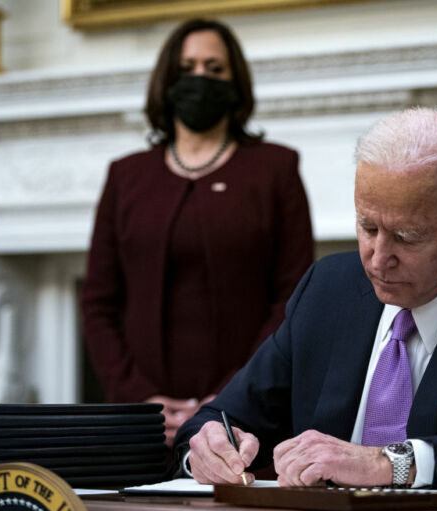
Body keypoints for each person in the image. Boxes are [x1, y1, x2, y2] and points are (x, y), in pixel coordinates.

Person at [174, 108, 437, 496]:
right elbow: (220, 419)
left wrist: (391, 464)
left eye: (407, 236)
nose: (379, 259)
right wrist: (207, 448)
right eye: (367, 227)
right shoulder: (329, 289)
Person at [81, 18, 314, 446]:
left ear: (235, 81)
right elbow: (98, 300)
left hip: (244, 418)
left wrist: (228, 398)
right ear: (167, 80)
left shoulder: (276, 169)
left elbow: (293, 299)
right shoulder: (126, 176)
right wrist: (141, 400)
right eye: (187, 68)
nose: (200, 78)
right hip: (142, 421)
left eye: (214, 68)